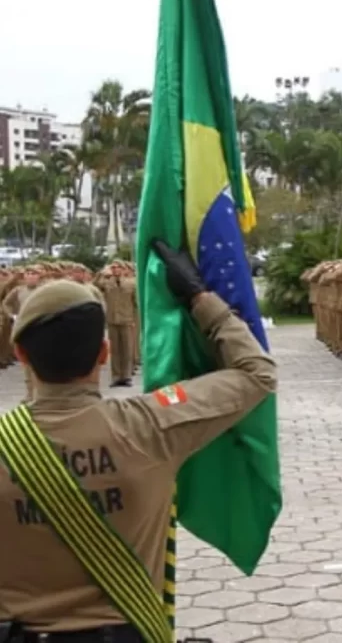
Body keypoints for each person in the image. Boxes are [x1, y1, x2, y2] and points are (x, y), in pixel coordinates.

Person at [0, 240, 276, 641]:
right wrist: (201, 298)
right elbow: (256, 374)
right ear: (104, 353)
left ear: (21, 354)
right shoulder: (150, 425)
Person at [2, 266, 41, 403]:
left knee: (39, 363)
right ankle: (30, 394)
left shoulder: (43, 291)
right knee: (26, 364)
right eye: (28, 274)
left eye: (34, 274)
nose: (31, 276)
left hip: (39, 329)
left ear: (39, 276)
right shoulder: (18, 291)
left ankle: (39, 394)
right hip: (24, 329)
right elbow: (6, 304)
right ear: (24, 277)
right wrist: (12, 316)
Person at [95, 262, 137, 388]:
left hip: (126, 319)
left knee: (127, 349)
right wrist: (102, 272)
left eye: (118, 267)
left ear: (123, 269)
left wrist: (134, 319)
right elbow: (95, 285)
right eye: (113, 268)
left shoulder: (131, 283)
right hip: (112, 319)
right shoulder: (107, 283)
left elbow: (135, 302)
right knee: (115, 350)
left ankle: (126, 376)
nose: (116, 270)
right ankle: (116, 376)